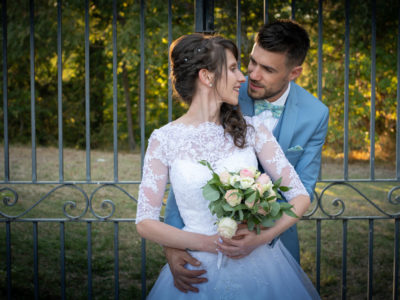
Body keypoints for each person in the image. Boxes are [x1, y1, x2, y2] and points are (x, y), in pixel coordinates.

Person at [136, 33, 320, 299]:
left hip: (261, 267)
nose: (243, 77)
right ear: (207, 77)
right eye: (233, 68)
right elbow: (145, 222)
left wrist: (259, 238)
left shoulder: (253, 130)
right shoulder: (163, 139)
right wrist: (206, 244)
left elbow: (300, 196)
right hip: (197, 268)